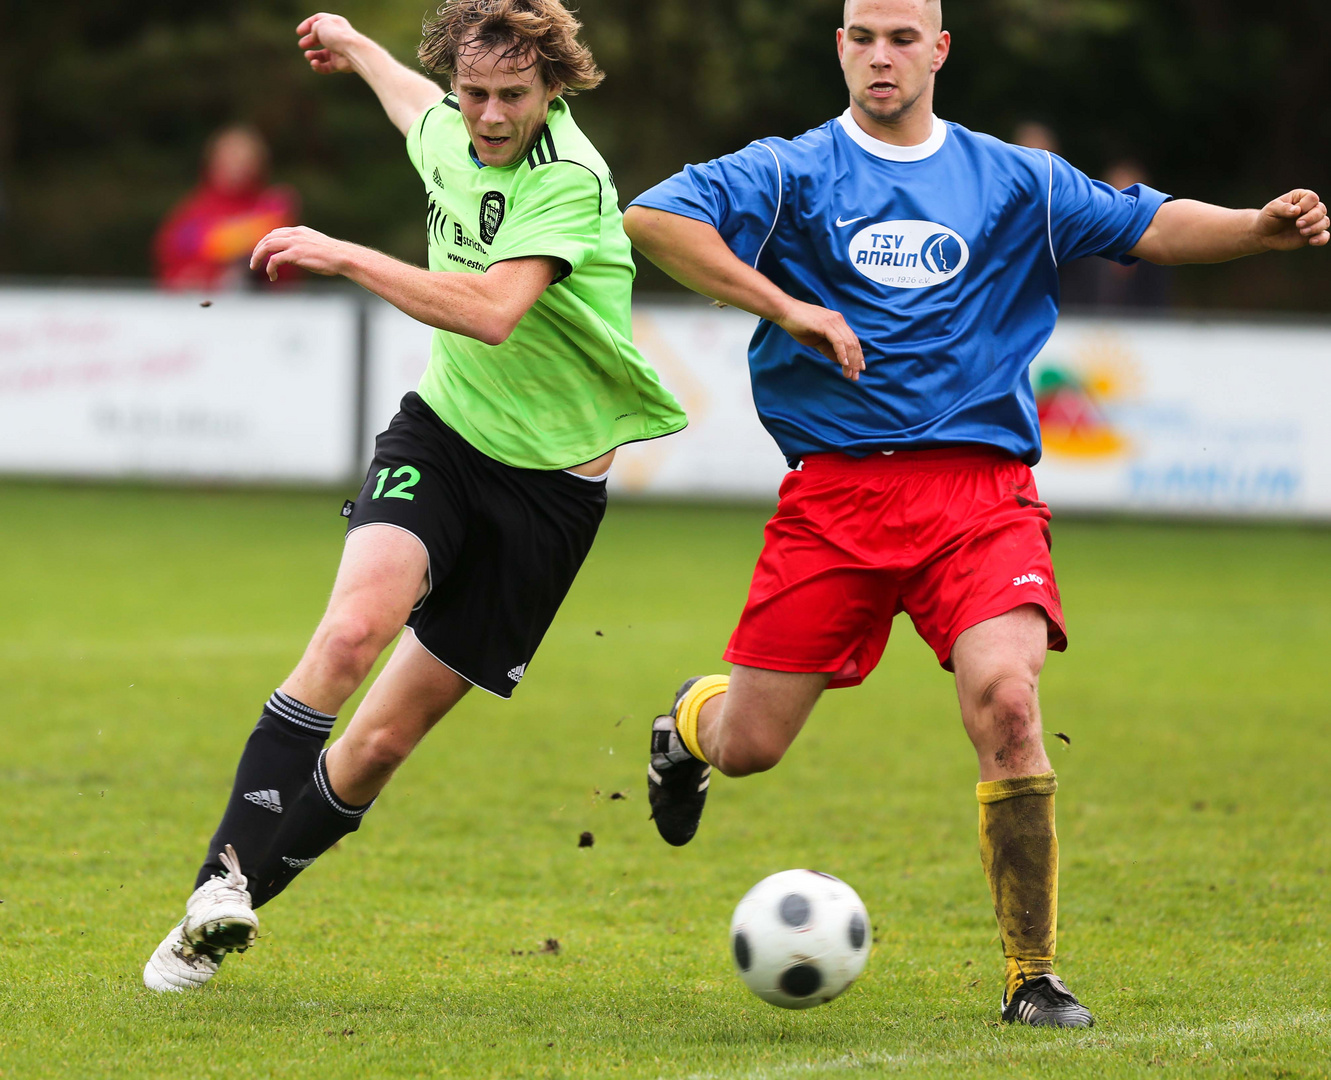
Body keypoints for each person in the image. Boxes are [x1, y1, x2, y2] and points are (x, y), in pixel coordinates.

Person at [626, 0, 1327, 1028]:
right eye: (862, 36)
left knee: (1006, 702)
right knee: (749, 745)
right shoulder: (788, 172)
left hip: (978, 495)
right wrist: (784, 307)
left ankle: (1031, 975)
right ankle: (686, 725)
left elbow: (1145, 223)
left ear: (938, 50)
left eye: (901, 37)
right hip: (835, 495)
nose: (880, 55)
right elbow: (651, 218)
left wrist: (1256, 230)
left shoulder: (1017, 182)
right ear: (838, 48)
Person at [143, 0, 686, 991]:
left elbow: (490, 311)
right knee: (351, 632)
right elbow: (414, 107)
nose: (486, 116)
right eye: (473, 92)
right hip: (441, 439)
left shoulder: (566, 179)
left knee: (382, 743)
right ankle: (216, 883)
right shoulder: (451, 120)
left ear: (552, 87)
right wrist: (353, 48)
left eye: (510, 96)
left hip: (550, 497)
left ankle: (216, 923)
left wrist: (343, 253)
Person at [153, 125, 301, 290]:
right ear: (213, 162)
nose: (237, 168)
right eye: (230, 159)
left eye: (245, 161)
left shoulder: (270, 209)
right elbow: (170, 261)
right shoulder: (193, 211)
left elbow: (285, 266)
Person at [1061, 159, 1175, 309]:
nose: (1123, 211)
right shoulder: (1081, 250)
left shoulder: (1156, 259)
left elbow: (1159, 308)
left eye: (1131, 203)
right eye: (1118, 199)